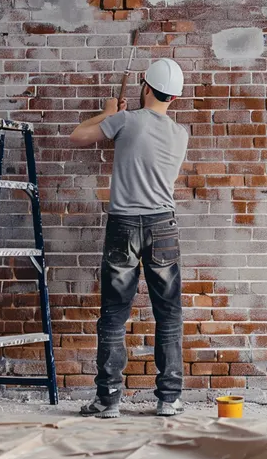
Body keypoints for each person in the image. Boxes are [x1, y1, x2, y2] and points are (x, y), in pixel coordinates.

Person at [69, 58, 188, 418]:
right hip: (163, 227)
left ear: (145, 87)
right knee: (168, 316)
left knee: (113, 316)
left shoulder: (124, 120)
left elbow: (77, 136)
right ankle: (168, 400)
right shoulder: (181, 135)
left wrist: (106, 113)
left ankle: (107, 401)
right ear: (174, 98)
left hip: (123, 226)